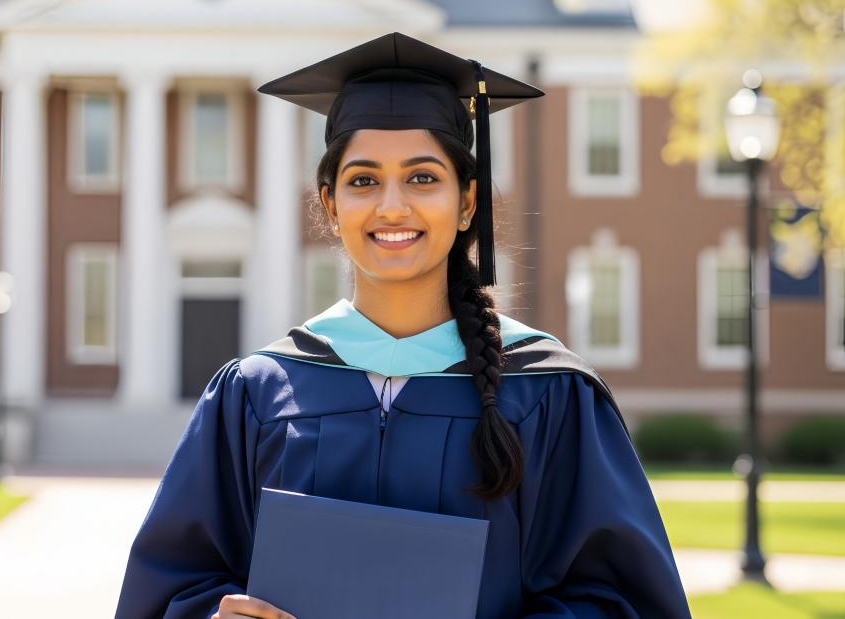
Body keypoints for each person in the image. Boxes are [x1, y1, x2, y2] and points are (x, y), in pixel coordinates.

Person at [114, 32, 692, 619]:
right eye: (363, 180)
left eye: (422, 178)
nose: (392, 206)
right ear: (330, 204)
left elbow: (623, 600)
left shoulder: (547, 391)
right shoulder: (258, 393)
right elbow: (169, 587)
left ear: (467, 202)